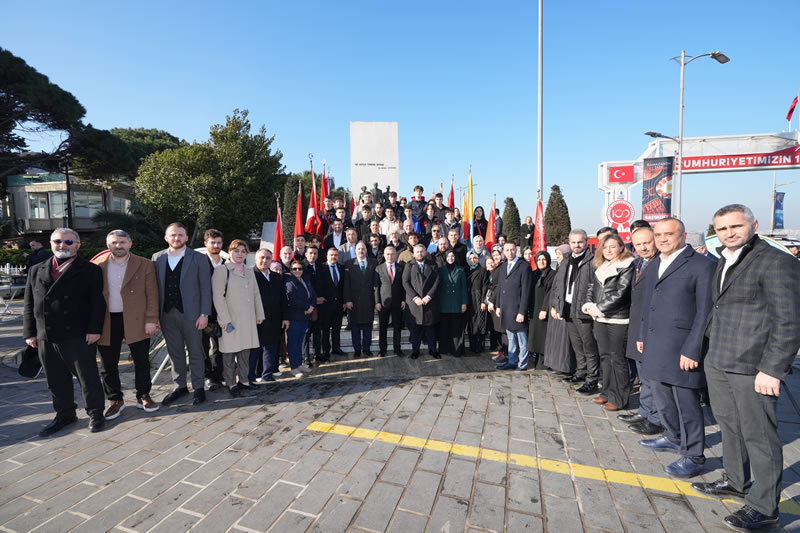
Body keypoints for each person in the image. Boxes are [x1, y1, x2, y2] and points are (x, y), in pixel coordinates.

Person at [691, 204, 800, 530]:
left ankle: (765, 507)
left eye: (736, 226)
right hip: (720, 361)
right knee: (730, 425)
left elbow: (789, 321)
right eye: (722, 229)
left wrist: (773, 369)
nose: (729, 233)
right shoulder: (725, 258)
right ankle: (737, 480)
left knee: (760, 436)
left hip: (753, 367)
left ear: (753, 224)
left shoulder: (776, 261)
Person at [637, 217, 715, 479]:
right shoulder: (656, 262)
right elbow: (648, 303)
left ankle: (694, 455)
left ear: (682, 235)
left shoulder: (701, 265)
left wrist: (693, 349)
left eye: (668, 234)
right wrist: (641, 334)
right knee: (661, 394)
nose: (662, 239)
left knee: (687, 403)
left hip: (682, 347)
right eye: (658, 235)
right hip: (656, 343)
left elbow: (705, 312)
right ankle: (672, 436)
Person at [24, 228, 107, 436]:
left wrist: (94, 329)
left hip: (77, 334)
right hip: (46, 334)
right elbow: (28, 303)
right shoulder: (36, 269)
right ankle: (65, 414)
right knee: (55, 379)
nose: (62, 245)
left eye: (68, 242)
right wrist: (30, 332)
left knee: (87, 377)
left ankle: (96, 413)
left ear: (78, 245)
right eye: (58, 241)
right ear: (51, 243)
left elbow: (98, 303)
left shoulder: (89, 270)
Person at [93, 230, 160, 419]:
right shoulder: (97, 266)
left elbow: (152, 294)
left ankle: (143, 396)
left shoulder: (145, 264)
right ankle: (115, 400)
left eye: (122, 242)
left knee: (141, 360)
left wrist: (151, 319)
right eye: (114, 242)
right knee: (108, 363)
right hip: (107, 320)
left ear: (130, 243)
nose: (118, 245)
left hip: (137, 319)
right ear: (108, 245)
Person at [152, 223, 212, 406]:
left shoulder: (199, 258)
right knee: (175, 352)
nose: (176, 238)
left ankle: (199, 387)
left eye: (180, 235)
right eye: (173, 235)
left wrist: (204, 314)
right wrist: (154, 316)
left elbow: (205, 288)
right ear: (166, 237)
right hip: (166, 314)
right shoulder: (157, 258)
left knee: (196, 352)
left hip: (192, 315)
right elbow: (153, 289)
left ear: (186, 238)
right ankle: (179, 387)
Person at [581, 234, 635, 411]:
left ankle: (619, 398)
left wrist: (599, 308)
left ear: (621, 247)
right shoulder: (601, 266)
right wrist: (589, 305)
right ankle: (606, 392)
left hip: (618, 319)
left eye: (613, 246)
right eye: (605, 247)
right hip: (600, 318)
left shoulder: (627, 265)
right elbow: (591, 287)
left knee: (617, 359)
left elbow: (621, 293)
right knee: (604, 357)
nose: (609, 250)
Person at [619, 226, 663, 436]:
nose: (643, 247)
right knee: (643, 374)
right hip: (637, 324)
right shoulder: (638, 263)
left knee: (652, 376)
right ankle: (644, 411)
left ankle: (655, 418)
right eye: (638, 244)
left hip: (652, 328)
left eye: (647, 242)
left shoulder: (660, 263)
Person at [212, 240, 265, 397]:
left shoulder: (249, 271)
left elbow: (256, 294)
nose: (240, 254)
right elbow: (217, 297)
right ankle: (231, 383)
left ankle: (244, 381)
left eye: (243, 251)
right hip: (230, 319)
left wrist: (259, 314)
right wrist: (224, 320)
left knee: (245, 352)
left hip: (248, 319)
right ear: (230, 252)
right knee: (229, 353)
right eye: (236, 251)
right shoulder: (222, 270)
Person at [551, 229, 599, 394]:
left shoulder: (592, 261)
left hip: (584, 310)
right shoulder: (566, 261)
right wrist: (556, 305)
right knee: (577, 344)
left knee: (589, 346)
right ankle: (580, 372)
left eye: (580, 242)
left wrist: (590, 305)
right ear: (569, 243)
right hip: (568, 308)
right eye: (573, 242)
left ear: (586, 242)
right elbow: (558, 285)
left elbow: (596, 286)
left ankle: (592, 379)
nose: (577, 245)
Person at [494, 242, 532, 371]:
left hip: (517, 309)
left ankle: (522, 364)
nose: (510, 252)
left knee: (522, 340)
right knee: (511, 338)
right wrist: (498, 305)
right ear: (503, 252)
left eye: (512, 250)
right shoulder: (504, 266)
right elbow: (500, 287)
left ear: (516, 251)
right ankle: (512, 361)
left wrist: (522, 311)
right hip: (506, 308)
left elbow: (526, 291)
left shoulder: (524, 267)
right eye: (507, 250)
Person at [252, 248, 286, 382]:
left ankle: (267, 375)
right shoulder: (250, 275)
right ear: (256, 259)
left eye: (267, 258)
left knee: (271, 347)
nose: (264, 260)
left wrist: (285, 317)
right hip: (256, 319)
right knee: (256, 348)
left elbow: (282, 299)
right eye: (261, 257)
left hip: (274, 319)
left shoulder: (276, 277)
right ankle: (254, 375)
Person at [402, 244, 440, 359]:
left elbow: (437, 281)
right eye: (417, 252)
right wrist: (415, 297)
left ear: (425, 252)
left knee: (430, 330)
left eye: (422, 251)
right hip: (415, 303)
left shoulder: (432, 265)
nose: (420, 254)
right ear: (414, 253)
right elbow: (405, 282)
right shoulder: (409, 265)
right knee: (415, 330)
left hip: (429, 302)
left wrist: (428, 296)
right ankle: (415, 351)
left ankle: (433, 350)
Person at [543, 247, 576, 376]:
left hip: (561, 308)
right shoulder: (561, 266)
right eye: (556, 254)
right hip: (555, 307)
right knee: (555, 339)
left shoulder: (567, 266)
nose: (558, 256)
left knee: (563, 341)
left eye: (560, 254)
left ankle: (564, 366)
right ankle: (556, 364)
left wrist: (557, 307)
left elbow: (562, 288)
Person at [343, 242, 377, 357]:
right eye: (358, 249)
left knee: (368, 327)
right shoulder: (349, 264)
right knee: (355, 327)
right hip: (354, 301)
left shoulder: (374, 262)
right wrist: (347, 300)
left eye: (363, 249)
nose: (361, 251)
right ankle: (357, 350)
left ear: (366, 250)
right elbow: (346, 284)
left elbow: (376, 283)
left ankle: (367, 348)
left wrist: (377, 301)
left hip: (369, 300)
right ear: (355, 250)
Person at [201, 228, 225, 390]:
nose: (216, 245)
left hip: (222, 313)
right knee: (202, 347)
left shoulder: (227, 263)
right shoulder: (199, 262)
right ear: (206, 243)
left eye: (218, 243)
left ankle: (219, 376)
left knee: (221, 347)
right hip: (203, 312)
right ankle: (207, 377)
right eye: (212, 243)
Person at [284, 259, 316, 377]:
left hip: (305, 317)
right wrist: (307, 307)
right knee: (293, 343)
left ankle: (299, 364)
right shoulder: (289, 282)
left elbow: (313, 294)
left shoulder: (305, 280)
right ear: (291, 270)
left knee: (299, 342)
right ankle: (293, 367)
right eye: (294, 269)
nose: (297, 271)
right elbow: (292, 300)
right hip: (295, 317)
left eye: (300, 268)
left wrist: (312, 306)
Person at [374, 246, 405, 357]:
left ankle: (397, 349)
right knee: (383, 327)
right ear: (384, 255)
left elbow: (404, 285)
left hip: (397, 302)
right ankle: (383, 349)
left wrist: (403, 299)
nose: (390, 256)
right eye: (387, 254)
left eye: (392, 254)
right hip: (383, 302)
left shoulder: (401, 267)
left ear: (396, 255)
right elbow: (376, 287)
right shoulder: (379, 268)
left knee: (397, 327)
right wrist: (377, 302)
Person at [438, 250, 468, 356]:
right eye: (448, 256)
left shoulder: (460, 270)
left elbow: (464, 287)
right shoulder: (441, 270)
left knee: (457, 328)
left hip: (456, 303)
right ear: (445, 258)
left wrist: (464, 303)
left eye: (452, 256)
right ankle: (444, 349)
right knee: (444, 328)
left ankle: (456, 350)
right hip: (444, 303)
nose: (450, 258)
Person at [528, 251, 554, 369]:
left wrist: (545, 309)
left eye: (543, 259)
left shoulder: (552, 274)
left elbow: (551, 293)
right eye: (538, 260)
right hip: (534, 309)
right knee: (535, 336)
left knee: (543, 336)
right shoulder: (534, 274)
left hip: (544, 310)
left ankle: (544, 362)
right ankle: (536, 359)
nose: (541, 262)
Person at [318, 247, 345, 359]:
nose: (334, 257)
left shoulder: (341, 268)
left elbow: (343, 286)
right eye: (331, 255)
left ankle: (336, 348)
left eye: (335, 255)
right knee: (325, 330)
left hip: (339, 305)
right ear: (327, 256)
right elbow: (318, 284)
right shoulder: (321, 268)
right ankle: (325, 350)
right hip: (325, 305)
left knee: (337, 329)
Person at [302, 246, 323, 366]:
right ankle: (306, 357)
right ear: (306, 254)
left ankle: (317, 353)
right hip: (307, 306)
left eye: (315, 253)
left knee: (317, 331)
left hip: (319, 305)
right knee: (306, 332)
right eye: (310, 253)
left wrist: (321, 298)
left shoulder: (320, 266)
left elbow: (323, 284)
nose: (313, 255)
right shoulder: (302, 267)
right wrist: (314, 300)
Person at [465, 250, 488, 354]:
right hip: (469, 299)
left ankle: (480, 346)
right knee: (471, 323)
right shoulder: (466, 270)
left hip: (479, 299)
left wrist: (484, 301)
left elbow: (485, 286)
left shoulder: (482, 270)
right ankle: (472, 346)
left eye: (474, 258)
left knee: (480, 323)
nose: (472, 260)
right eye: (470, 258)